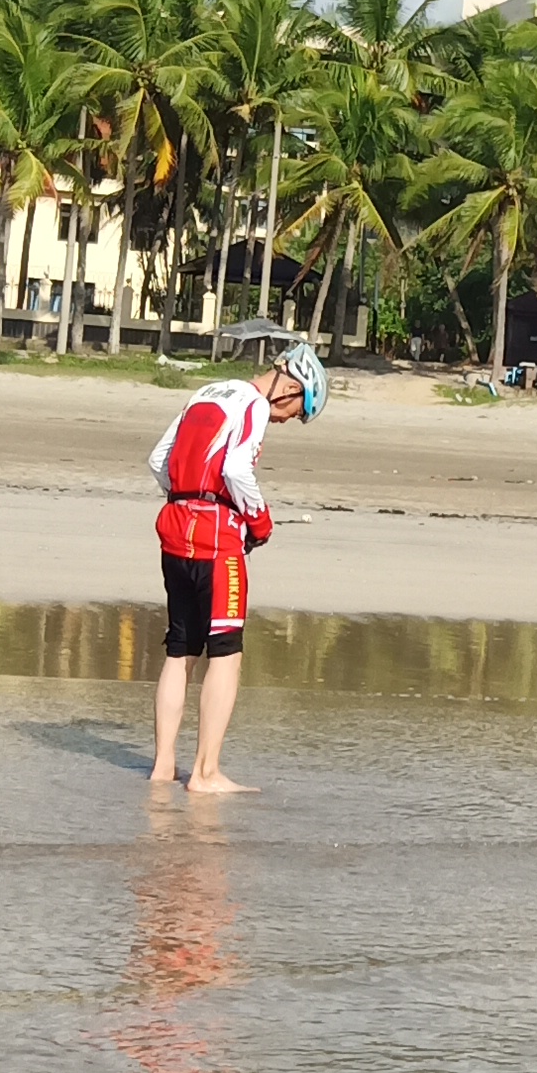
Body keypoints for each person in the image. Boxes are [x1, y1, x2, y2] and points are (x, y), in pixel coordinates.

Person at [147, 338, 324, 792]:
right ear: (290, 387)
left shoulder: (206, 393)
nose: (289, 420)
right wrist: (259, 521)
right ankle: (205, 774)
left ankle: (163, 767)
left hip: (174, 531)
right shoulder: (255, 405)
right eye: (298, 410)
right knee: (226, 652)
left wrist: (186, 494)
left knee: (180, 649)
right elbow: (236, 469)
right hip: (217, 540)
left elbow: (158, 461)